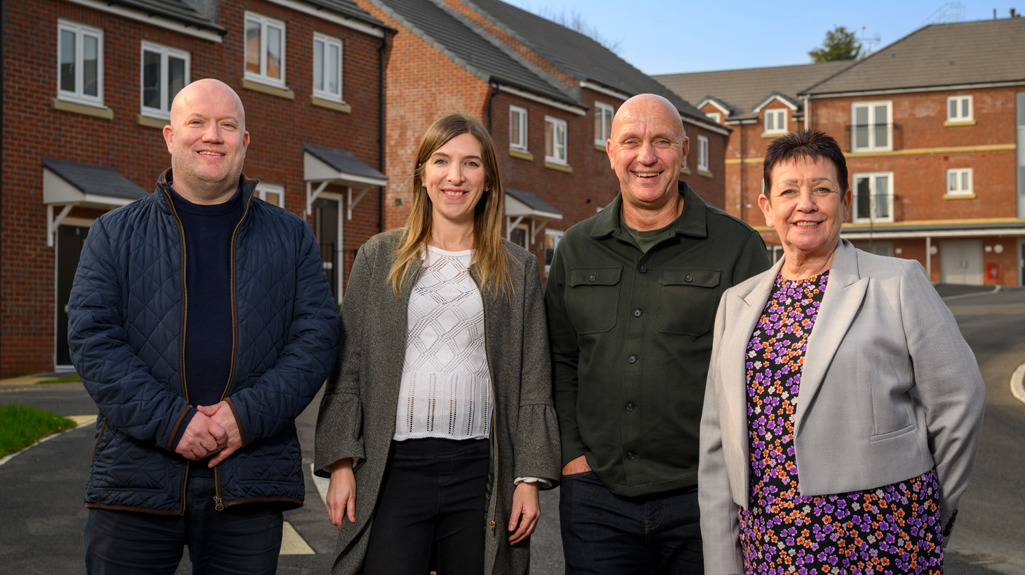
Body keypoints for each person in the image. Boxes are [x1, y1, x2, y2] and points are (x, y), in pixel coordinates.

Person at [67, 78, 340, 574]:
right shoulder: (113, 233)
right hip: (135, 478)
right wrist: (173, 423)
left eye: (227, 125)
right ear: (170, 136)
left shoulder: (292, 236)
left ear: (245, 141)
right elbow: (93, 340)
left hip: (248, 478)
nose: (212, 135)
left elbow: (316, 338)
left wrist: (245, 416)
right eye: (197, 122)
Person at [698, 130, 986, 574]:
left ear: (845, 202)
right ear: (766, 207)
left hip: (880, 539)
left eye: (822, 189)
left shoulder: (897, 282)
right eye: (789, 191)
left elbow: (959, 401)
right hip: (771, 543)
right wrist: (722, 561)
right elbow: (718, 443)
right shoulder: (736, 303)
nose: (806, 204)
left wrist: (926, 507)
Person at [314, 113, 560, 575]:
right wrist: (342, 462)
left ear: (487, 180)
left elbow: (534, 375)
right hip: (393, 469)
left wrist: (527, 478)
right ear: (423, 174)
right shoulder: (378, 256)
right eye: (442, 161)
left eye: (471, 164)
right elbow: (349, 367)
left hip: (479, 470)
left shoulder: (518, 267)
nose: (455, 176)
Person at [545, 93, 771, 573]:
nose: (646, 157)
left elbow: (763, 373)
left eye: (661, 142)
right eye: (632, 141)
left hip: (703, 497)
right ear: (610, 152)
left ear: (684, 152)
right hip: (595, 497)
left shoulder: (737, 247)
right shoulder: (575, 248)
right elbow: (560, 359)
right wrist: (571, 458)